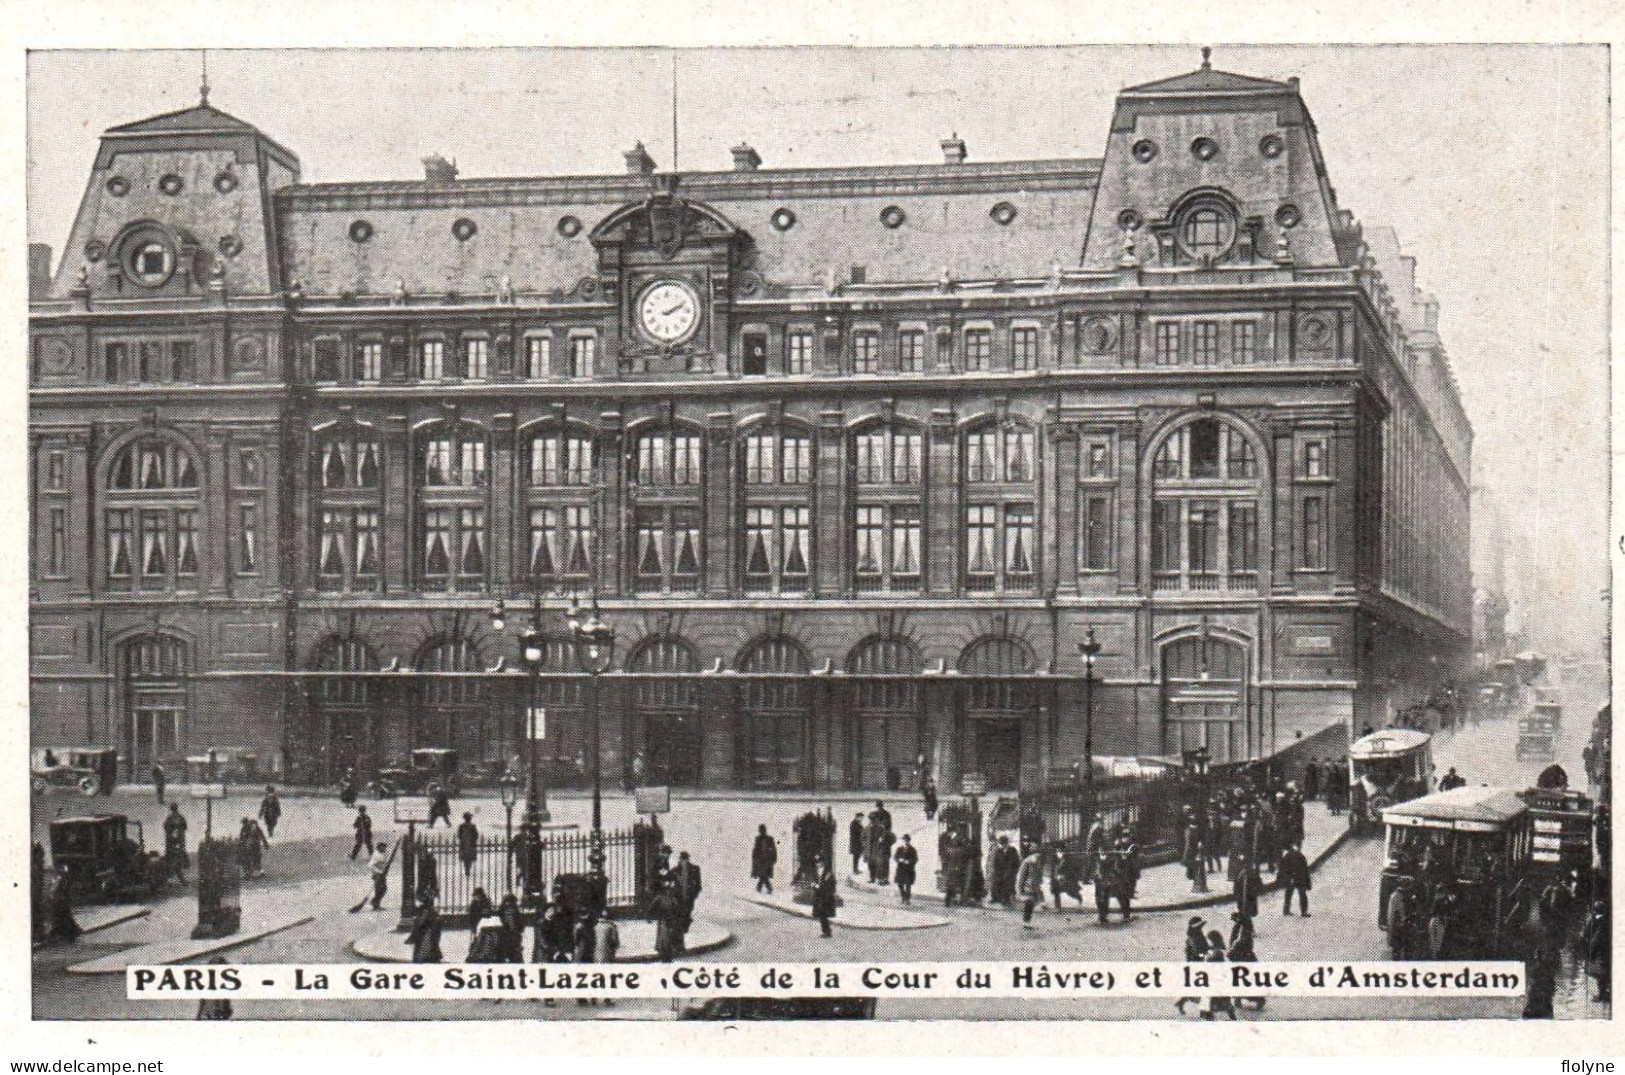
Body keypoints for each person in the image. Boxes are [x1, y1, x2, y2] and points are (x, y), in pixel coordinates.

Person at [1175, 915, 1209, 1016]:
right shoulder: (1193, 937)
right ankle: (1204, 1012)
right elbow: (1198, 952)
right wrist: (1208, 954)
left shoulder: (1197, 934)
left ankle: (1181, 1001)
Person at [1200, 930, 1237, 1020]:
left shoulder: (1217, 953)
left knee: (1211, 999)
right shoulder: (1217, 951)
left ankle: (1207, 1014)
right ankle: (1230, 1013)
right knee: (1223, 1000)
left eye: (1208, 940)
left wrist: (1206, 959)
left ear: (1213, 940)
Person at [670, 850, 702, 953]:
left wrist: (694, 895)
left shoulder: (695, 869)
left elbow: (698, 885)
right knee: (680, 919)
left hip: (689, 898)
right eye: (682, 859)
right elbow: (668, 880)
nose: (683, 861)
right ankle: (680, 942)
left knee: (687, 914)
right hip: (678, 899)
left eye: (685, 859)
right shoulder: (675, 870)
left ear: (688, 859)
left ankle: (685, 927)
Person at [1585, 900, 1611, 1003]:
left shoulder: (1598, 922)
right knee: (1603, 971)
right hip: (1604, 950)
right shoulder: (1605, 920)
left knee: (1601, 971)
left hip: (1601, 950)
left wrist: (1591, 952)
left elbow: (1595, 939)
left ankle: (1603, 994)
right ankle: (1604, 992)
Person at [47, 864, 80, 942]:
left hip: (61, 902)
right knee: (63, 918)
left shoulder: (63, 880)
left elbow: (62, 891)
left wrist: (58, 898)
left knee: (63, 918)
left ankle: (69, 934)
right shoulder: (58, 880)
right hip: (59, 902)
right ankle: (70, 933)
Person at [407, 893, 443, 964]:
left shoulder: (426, 912)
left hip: (425, 936)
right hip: (427, 936)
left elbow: (419, 924)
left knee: (423, 956)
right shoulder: (431, 912)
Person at [1016, 844, 1045, 927]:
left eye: (1039, 854)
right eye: (1036, 854)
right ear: (1032, 854)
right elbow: (1021, 876)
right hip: (1027, 887)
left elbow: (1039, 874)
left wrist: (1040, 881)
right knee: (1029, 904)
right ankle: (1026, 922)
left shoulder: (1037, 862)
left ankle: (1027, 921)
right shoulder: (1026, 862)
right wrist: (1019, 889)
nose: (1038, 856)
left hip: (1035, 887)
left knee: (1031, 904)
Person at [1278, 842, 1311, 916]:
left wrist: (1282, 879)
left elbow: (1282, 869)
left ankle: (1286, 910)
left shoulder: (1286, 856)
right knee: (1302, 894)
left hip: (1290, 878)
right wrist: (1308, 882)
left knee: (1288, 894)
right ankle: (1304, 912)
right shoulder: (1300, 855)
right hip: (1300, 878)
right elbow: (1305, 870)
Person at [940, 828, 968, 907]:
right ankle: (951, 900)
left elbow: (959, 855)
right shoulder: (955, 843)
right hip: (953, 867)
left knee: (952, 884)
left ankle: (949, 900)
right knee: (952, 884)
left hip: (954, 867)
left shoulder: (957, 841)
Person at [812, 857, 838, 937]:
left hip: (826, 898)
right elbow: (816, 882)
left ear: (822, 863)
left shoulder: (828, 873)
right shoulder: (818, 872)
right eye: (816, 863)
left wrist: (818, 887)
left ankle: (827, 932)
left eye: (819, 863)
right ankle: (826, 931)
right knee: (822, 915)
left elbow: (830, 886)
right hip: (820, 898)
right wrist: (814, 885)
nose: (817, 865)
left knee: (823, 915)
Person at [163, 803, 189, 881]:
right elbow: (185, 827)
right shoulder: (181, 817)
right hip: (179, 841)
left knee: (171, 858)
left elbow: (165, 827)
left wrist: (172, 831)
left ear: (171, 809)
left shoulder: (169, 818)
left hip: (172, 841)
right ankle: (179, 877)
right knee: (177, 857)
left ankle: (174, 876)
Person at [1182, 812, 1208, 894]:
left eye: (1194, 816)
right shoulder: (1188, 829)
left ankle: (1198, 884)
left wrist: (1201, 843)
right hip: (1191, 849)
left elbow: (1202, 838)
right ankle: (1192, 877)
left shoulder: (1198, 829)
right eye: (1191, 816)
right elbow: (1187, 841)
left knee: (1196, 866)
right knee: (1191, 865)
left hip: (1197, 850)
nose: (1193, 817)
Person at [751, 824, 778, 894]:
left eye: (763, 830)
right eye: (761, 831)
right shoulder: (758, 839)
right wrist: (755, 859)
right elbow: (755, 850)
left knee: (763, 875)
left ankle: (760, 889)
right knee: (763, 875)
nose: (762, 832)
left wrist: (774, 858)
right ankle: (765, 889)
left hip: (767, 860)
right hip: (760, 860)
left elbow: (774, 849)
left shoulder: (770, 839)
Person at [1233, 852, 1260, 919]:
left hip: (1249, 899)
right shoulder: (1239, 875)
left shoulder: (1252, 874)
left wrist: (1255, 890)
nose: (1244, 867)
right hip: (1242, 899)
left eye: (1246, 864)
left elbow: (1258, 884)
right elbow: (1236, 886)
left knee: (1247, 917)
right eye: (1243, 865)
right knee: (1244, 915)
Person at [893, 834, 919, 904]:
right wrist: (899, 860)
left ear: (909, 841)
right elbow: (895, 857)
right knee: (899, 884)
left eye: (907, 840)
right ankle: (903, 896)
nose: (905, 842)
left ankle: (907, 899)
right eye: (904, 840)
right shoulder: (899, 849)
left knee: (908, 884)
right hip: (900, 869)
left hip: (909, 869)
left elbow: (915, 859)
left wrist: (909, 861)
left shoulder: (912, 850)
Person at [368, 836, 391, 910]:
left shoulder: (383, 853)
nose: (385, 848)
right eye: (383, 847)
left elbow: (384, 863)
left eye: (385, 847)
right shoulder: (376, 855)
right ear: (379, 847)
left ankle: (375, 903)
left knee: (383, 889)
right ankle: (375, 903)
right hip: (377, 875)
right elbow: (370, 865)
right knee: (380, 889)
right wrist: (379, 872)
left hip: (382, 874)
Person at [1083, 814, 1106, 885]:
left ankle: (1089, 878)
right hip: (1093, 847)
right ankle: (1095, 878)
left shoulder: (1093, 826)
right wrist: (1101, 852)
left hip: (1090, 846)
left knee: (1091, 863)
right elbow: (1099, 840)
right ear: (1100, 820)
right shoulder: (1098, 827)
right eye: (1102, 820)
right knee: (1094, 862)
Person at [456, 812, 479, 877]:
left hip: (463, 845)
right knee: (470, 858)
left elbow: (459, 835)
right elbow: (476, 835)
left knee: (465, 859)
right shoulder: (473, 826)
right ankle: (468, 869)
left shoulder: (461, 826)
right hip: (471, 844)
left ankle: (466, 869)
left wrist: (463, 840)